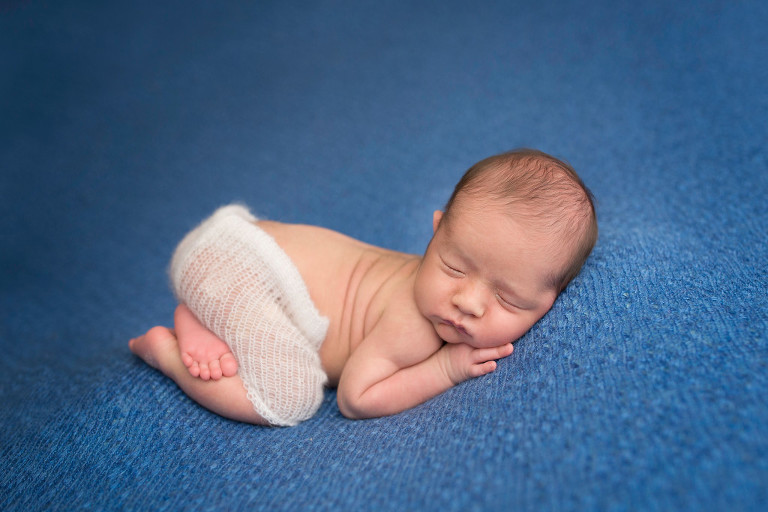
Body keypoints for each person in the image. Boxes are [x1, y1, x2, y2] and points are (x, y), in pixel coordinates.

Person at [129, 149, 598, 426]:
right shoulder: (415, 323)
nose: (467, 302)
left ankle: (206, 316)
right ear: (435, 233)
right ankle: (168, 350)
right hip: (234, 265)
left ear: (548, 304)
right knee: (290, 398)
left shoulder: (452, 297)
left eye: (507, 298)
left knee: (275, 346)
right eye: (453, 267)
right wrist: (447, 370)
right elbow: (356, 398)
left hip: (238, 255)